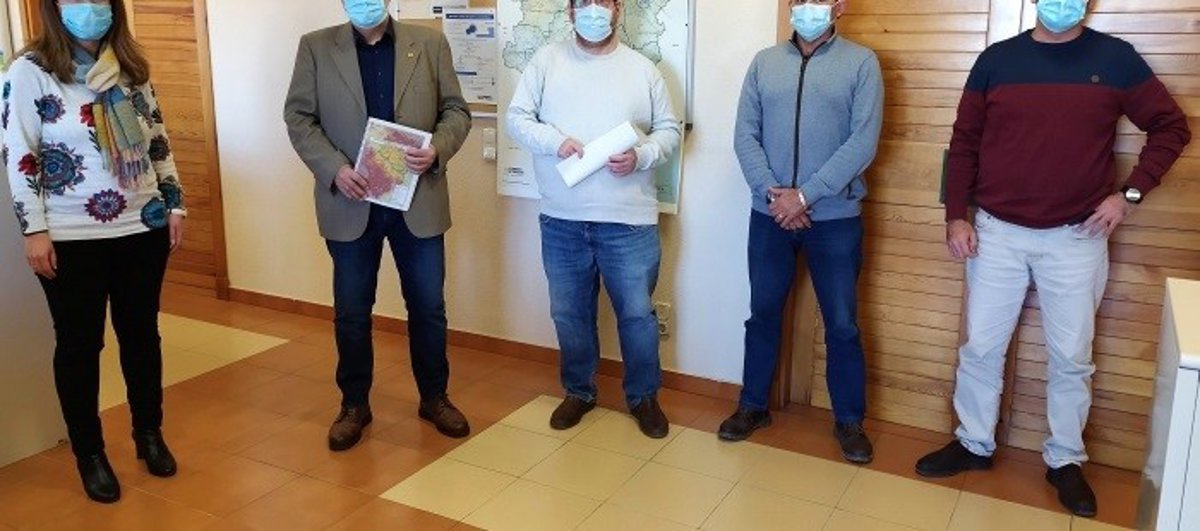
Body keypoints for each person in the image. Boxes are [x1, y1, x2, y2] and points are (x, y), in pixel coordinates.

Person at [916, 0, 1191, 517]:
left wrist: (1128, 197)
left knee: (1072, 357)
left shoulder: (1116, 58)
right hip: (996, 234)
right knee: (981, 348)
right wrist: (956, 215)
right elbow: (965, 142)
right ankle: (973, 442)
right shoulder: (996, 61)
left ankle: (1065, 460)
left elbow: (1171, 128)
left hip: (1077, 238)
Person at [4, 0, 186, 503]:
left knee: (142, 336)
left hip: (142, 225)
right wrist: (33, 230)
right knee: (80, 346)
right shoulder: (30, 71)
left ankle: (149, 434)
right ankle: (90, 453)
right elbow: (20, 155)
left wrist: (174, 202)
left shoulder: (131, 66)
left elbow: (157, 140)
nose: (89, 7)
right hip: (70, 236)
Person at [284, 0, 473, 451]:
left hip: (417, 199)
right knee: (352, 312)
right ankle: (354, 405)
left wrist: (438, 148)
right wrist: (333, 168)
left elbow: (456, 111)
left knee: (428, 308)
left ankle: (434, 397)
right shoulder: (315, 47)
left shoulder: (429, 43)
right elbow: (299, 118)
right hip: (352, 200)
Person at [506, 0, 682, 438]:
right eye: (582, 3)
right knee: (569, 314)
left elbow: (669, 130)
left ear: (617, 8)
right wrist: (554, 141)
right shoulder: (546, 61)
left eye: (602, 2)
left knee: (637, 315)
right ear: (569, 11)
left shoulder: (642, 69)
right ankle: (579, 391)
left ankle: (643, 397)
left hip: (629, 221)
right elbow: (516, 119)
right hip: (562, 218)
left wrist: (642, 156)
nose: (592, 11)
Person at [718, 0, 883, 465]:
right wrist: (775, 195)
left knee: (842, 324)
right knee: (762, 314)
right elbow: (744, 135)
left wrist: (806, 195)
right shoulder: (764, 62)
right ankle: (752, 406)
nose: (808, 7)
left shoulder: (862, 63)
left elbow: (862, 141)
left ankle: (849, 421)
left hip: (835, 219)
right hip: (769, 215)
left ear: (839, 7)